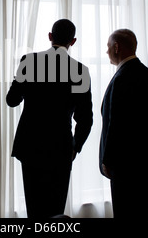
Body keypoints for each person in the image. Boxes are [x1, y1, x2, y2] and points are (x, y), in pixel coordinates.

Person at [6, 19, 93, 218]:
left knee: (34, 209)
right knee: (55, 211)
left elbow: (12, 100)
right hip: (60, 149)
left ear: (50, 36)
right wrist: (75, 146)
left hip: (30, 146)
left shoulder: (28, 62)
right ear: (73, 41)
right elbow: (85, 118)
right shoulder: (80, 71)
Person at [99, 29, 148, 218]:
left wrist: (107, 159)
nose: (107, 51)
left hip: (125, 165)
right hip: (144, 163)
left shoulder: (123, 77)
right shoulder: (145, 73)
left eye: (108, 46)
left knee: (125, 213)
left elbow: (116, 123)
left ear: (117, 47)